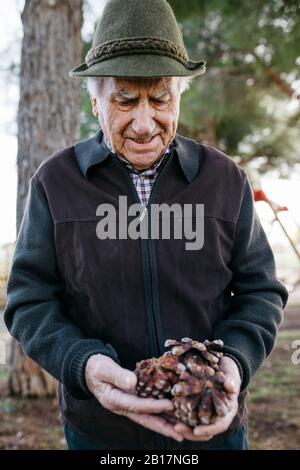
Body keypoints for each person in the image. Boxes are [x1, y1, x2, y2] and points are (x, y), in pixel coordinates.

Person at [4, 0, 288, 450]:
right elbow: (29, 301)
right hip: (99, 432)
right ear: (95, 101)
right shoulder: (55, 183)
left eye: (159, 99)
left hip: (210, 425)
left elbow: (261, 292)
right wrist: (83, 365)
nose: (143, 122)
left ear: (179, 96)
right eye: (124, 99)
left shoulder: (224, 179)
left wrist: (234, 362)